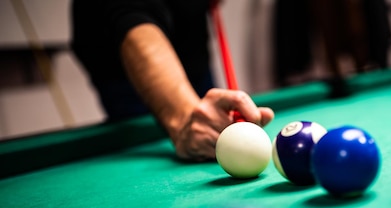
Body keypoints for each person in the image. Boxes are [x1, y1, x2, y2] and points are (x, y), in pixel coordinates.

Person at [70, 0, 274, 161]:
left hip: (192, 52)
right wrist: (184, 115)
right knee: (191, 127)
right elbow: (131, 15)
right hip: (129, 66)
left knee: (211, 119)